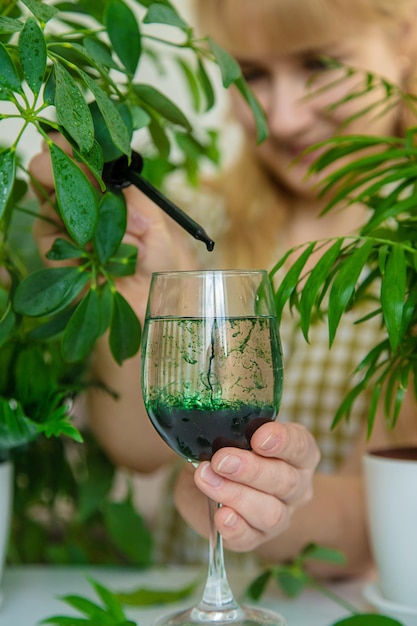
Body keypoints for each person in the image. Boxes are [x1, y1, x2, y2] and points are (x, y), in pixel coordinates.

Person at [30, 0, 417, 578]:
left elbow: (389, 517)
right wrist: (139, 303)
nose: (284, 117)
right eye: (252, 74)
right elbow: (137, 450)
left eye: (319, 64)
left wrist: (273, 509)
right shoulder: (201, 222)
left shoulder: (402, 256)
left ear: (407, 40)